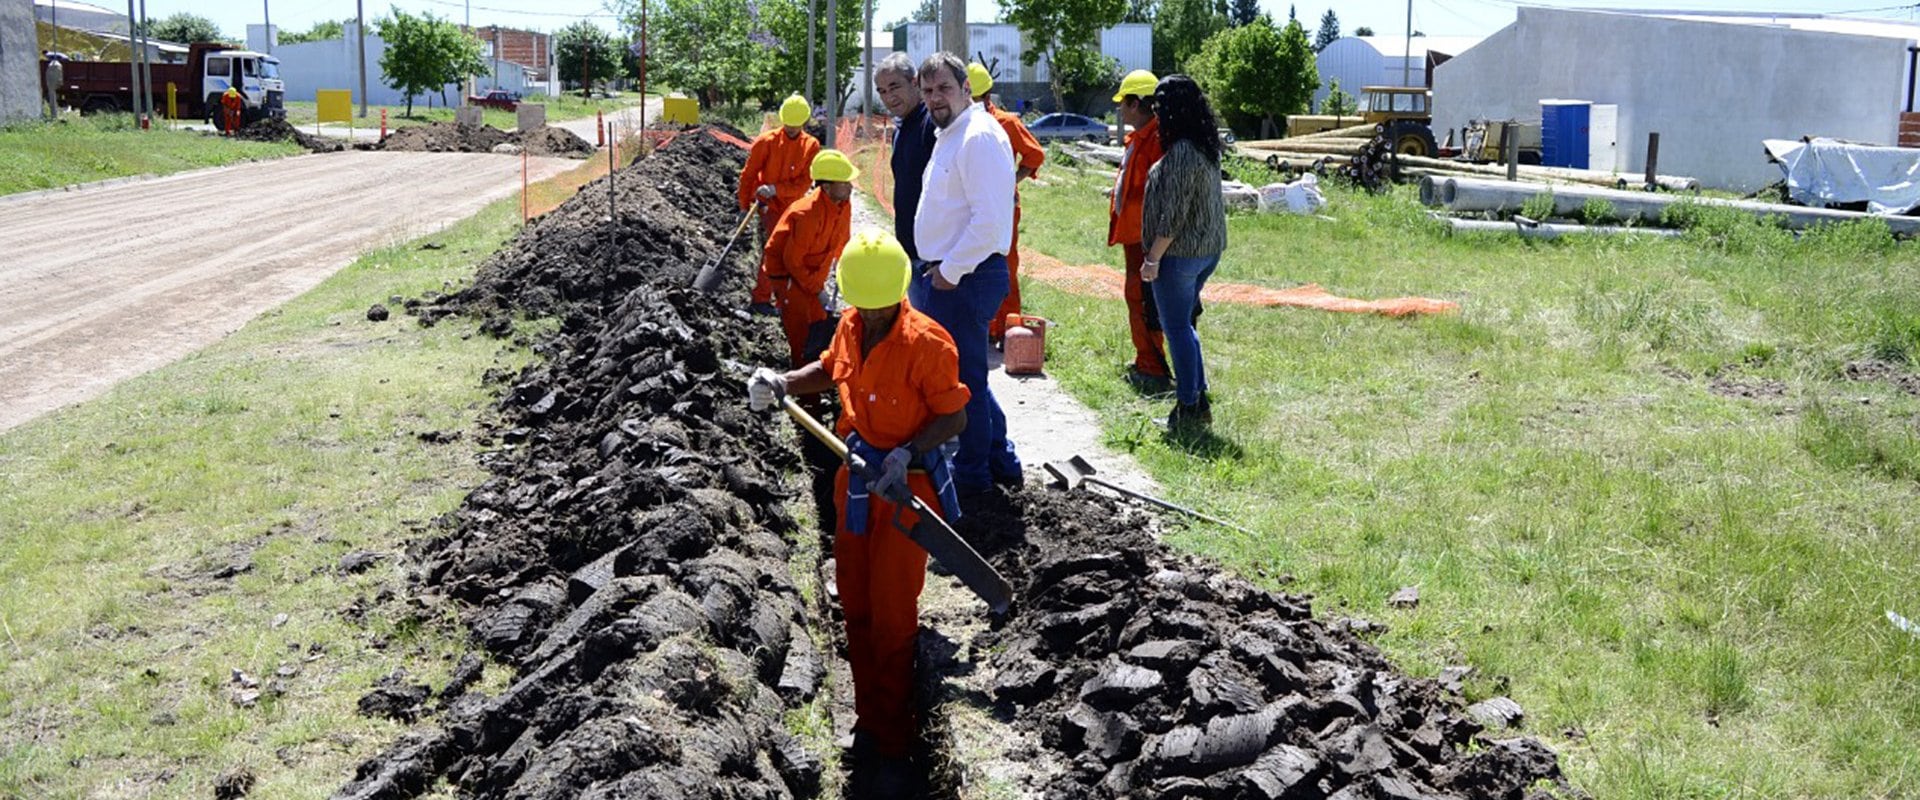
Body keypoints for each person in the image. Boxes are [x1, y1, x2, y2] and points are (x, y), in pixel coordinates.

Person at [747, 231, 968, 790]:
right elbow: (830, 367)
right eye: (859, 306)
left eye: (876, 308)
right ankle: (870, 721)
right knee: (858, 610)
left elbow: (954, 417)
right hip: (856, 483)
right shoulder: (849, 325)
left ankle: (896, 746)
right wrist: (784, 381)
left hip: (906, 492)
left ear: (897, 296)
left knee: (893, 620)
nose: (866, 317)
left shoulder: (929, 344)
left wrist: (907, 453)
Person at [911, 52, 1021, 491]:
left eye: (944, 88)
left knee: (964, 382)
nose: (935, 98)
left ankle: (973, 477)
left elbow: (989, 222)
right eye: (928, 91)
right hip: (950, 275)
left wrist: (950, 272)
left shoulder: (977, 136)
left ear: (966, 89)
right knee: (968, 374)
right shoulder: (951, 132)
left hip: (965, 277)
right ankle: (999, 459)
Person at [1140, 75, 1229, 431]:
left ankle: (1188, 406)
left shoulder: (1182, 153)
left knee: (1176, 329)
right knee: (1185, 327)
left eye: (1159, 109)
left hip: (1181, 255)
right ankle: (1199, 395)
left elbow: (1172, 216)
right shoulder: (1205, 146)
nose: (1156, 116)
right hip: (1207, 250)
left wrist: (1152, 259)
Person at [965, 63, 1045, 343]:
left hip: (1003, 207)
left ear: (985, 96)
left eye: (971, 98)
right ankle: (981, 324)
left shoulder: (1006, 123)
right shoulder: (958, 123)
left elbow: (1034, 155)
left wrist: (1010, 181)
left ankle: (1008, 329)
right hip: (969, 206)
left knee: (1004, 265)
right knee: (971, 263)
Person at [1107, 69, 1172, 394]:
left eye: (1124, 103)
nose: (1120, 109)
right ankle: (1146, 358)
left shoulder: (1157, 141)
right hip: (1135, 236)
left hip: (1147, 240)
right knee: (1138, 298)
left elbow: (1163, 196)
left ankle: (1153, 366)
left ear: (1136, 103)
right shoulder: (1141, 138)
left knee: (1145, 301)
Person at [762, 149, 857, 368]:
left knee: (819, 319)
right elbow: (793, 261)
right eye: (845, 183)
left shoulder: (843, 204)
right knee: (800, 331)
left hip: (810, 272)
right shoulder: (807, 214)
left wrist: (847, 271)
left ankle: (819, 368)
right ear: (826, 187)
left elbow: (843, 240)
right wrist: (818, 290)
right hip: (786, 274)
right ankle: (802, 386)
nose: (851, 187)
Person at [739, 93, 822, 314]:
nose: (792, 129)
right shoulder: (767, 142)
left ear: (804, 122)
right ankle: (761, 299)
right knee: (775, 251)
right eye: (789, 125)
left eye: (797, 126)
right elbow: (748, 175)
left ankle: (786, 297)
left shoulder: (811, 145)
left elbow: (805, 182)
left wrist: (777, 188)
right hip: (768, 206)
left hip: (793, 206)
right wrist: (743, 205)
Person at [875, 53, 935, 263]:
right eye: (882, 91)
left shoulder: (932, 125)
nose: (889, 97)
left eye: (894, 87)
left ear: (915, 82)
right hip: (911, 249)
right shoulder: (900, 129)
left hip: (937, 256)